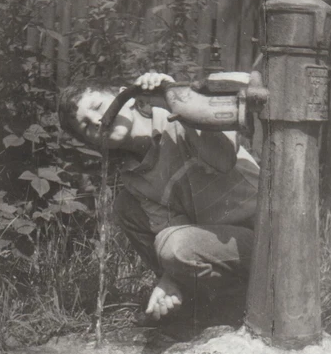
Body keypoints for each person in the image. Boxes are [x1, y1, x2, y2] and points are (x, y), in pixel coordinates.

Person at [58, 71, 260, 329]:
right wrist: (168, 279)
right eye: (86, 126)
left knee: (173, 246)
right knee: (126, 207)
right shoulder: (134, 178)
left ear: (126, 96)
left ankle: (240, 306)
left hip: (264, 239)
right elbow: (173, 228)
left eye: (98, 107)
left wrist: (174, 96)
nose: (98, 121)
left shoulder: (179, 114)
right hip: (214, 246)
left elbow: (221, 159)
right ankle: (197, 305)